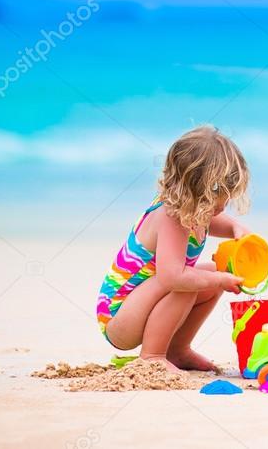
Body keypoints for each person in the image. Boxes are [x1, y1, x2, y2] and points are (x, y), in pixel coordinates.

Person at [96, 126, 252, 371]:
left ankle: (177, 351)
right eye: (219, 195)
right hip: (120, 316)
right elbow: (173, 277)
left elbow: (212, 221)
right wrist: (219, 279)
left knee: (209, 273)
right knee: (188, 282)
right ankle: (152, 356)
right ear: (197, 190)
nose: (224, 204)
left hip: (143, 305)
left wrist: (236, 229)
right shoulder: (171, 217)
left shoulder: (193, 209)